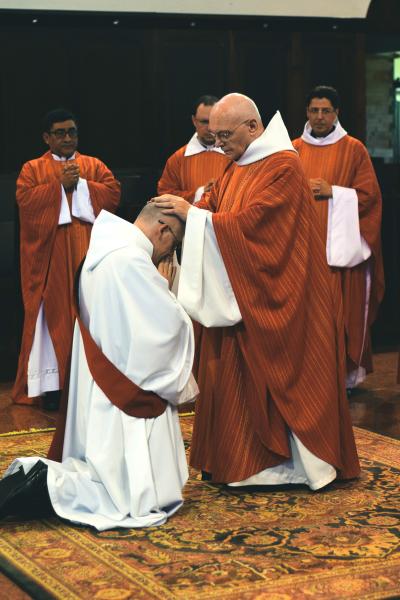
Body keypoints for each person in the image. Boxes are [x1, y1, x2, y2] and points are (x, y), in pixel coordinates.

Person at [153, 93, 360, 489]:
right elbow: (216, 205)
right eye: (213, 136)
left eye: (224, 135)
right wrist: (190, 211)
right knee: (235, 377)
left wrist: (196, 217)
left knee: (285, 378)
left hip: (284, 295)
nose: (217, 145)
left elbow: (258, 226)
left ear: (252, 127)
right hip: (245, 291)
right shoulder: (237, 163)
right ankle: (241, 462)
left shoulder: (283, 165)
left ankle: (291, 464)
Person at [0, 205, 197, 529]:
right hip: (125, 388)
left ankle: (34, 483)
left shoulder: (104, 249)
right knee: (120, 489)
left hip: (100, 377)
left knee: (100, 466)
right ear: (163, 229)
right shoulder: (131, 262)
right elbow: (162, 331)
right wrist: (167, 292)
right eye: (173, 244)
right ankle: (42, 484)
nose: (169, 254)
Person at [12, 108, 121, 409]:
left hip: (88, 252)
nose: (67, 138)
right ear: (46, 138)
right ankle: (54, 387)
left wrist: (82, 185)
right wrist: (58, 186)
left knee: (91, 314)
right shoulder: (32, 169)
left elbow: (112, 194)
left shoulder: (93, 165)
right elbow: (25, 202)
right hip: (50, 258)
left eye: (72, 131)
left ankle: (94, 382)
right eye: (60, 133)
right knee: (54, 318)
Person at [292, 86, 384, 391]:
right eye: (314, 110)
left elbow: (370, 197)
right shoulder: (292, 150)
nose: (320, 117)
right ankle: (306, 378)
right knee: (306, 318)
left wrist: (334, 191)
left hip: (340, 256)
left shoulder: (353, 149)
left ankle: (342, 379)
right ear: (307, 113)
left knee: (339, 314)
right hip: (303, 251)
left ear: (337, 113)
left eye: (326, 111)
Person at [157, 95, 231, 204]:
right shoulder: (177, 160)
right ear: (194, 121)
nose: (210, 128)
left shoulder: (234, 156)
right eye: (204, 122)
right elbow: (164, 195)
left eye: (214, 121)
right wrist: (198, 194)